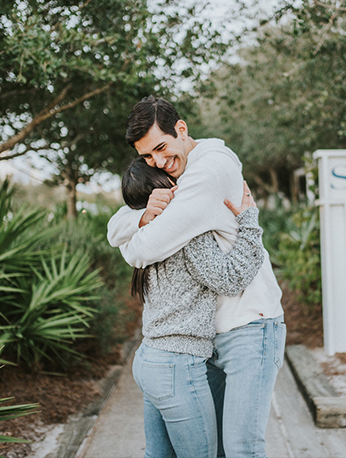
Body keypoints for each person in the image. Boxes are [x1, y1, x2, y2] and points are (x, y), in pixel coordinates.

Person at [108, 96, 286, 458]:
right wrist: (140, 217)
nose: (159, 162)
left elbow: (145, 248)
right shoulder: (179, 177)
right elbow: (116, 226)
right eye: (147, 157)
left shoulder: (209, 171)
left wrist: (133, 242)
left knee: (241, 449)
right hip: (206, 338)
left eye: (161, 147)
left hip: (249, 325)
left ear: (182, 129)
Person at [121, 157, 265, 458]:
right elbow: (230, 279)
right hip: (176, 366)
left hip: (148, 358)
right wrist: (250, 221)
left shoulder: (144, 233)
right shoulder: (186, 232)